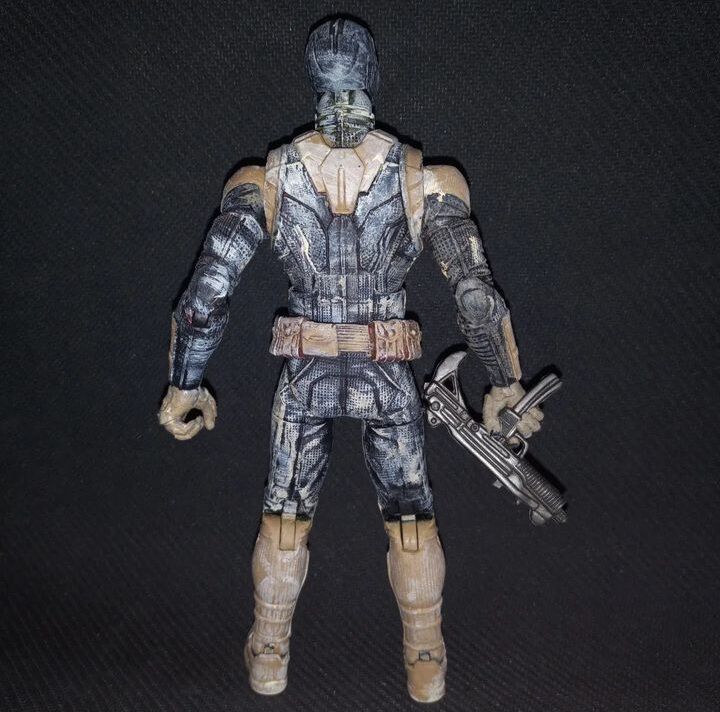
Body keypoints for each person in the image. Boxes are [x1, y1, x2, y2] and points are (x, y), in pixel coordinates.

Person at [158, 17, 542, 703]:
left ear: (313, 79)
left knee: (285, 517)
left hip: (305, 375)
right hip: (385, 376)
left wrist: (185, 384)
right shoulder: (426, 180)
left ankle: (270, 654)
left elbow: (206, 295)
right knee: (411, 519)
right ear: (372, 76)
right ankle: (425, 658)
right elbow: (476, 299)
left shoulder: (266, 179)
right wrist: (505, 384)